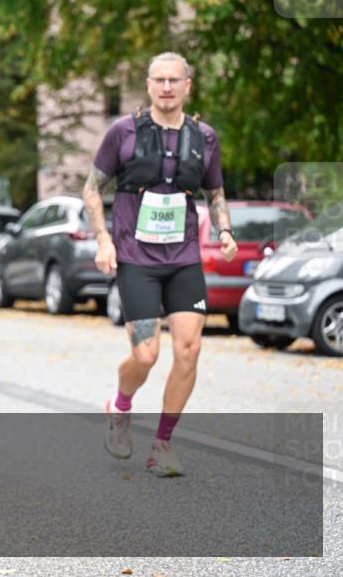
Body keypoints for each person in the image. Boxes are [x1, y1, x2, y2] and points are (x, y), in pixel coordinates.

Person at [82, 51, 237, 477]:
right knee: (146, 354)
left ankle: (162, 445)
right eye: (159, 80)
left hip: (184, 257)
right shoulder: (123, 132)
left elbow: (216, 193)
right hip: (136, 258)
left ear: (188, 85)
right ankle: (121, 405)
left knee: (189, 351)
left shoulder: (204, 137)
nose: (166, 87)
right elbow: (92, 188)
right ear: (148, 85)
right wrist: (103, 239)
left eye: (175, 80)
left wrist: (224, 230)